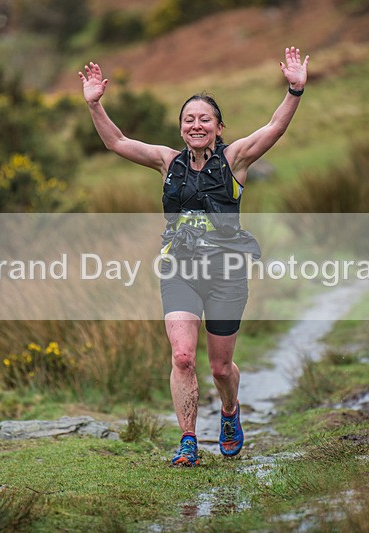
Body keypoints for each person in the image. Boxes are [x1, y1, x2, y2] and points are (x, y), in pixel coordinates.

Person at [79, 47, 309, 467]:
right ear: (181, 128)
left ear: (219, 128)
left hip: (227, 274)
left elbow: (274, 128)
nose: (196, 124)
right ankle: (187, 440)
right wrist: (95, 103)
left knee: (221, 369)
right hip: (179, 270)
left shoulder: (234, 160)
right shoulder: (167, 163)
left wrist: (294, 89)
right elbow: (116, 142)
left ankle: (229, 413)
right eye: (189, 119)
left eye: (205, 119)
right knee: (183, 356)